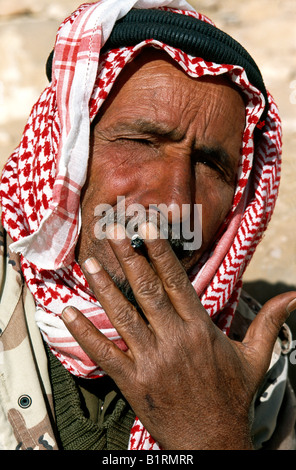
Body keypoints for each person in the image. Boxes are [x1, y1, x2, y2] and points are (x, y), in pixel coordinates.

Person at [0, 0, 295, 451]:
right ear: (65, 149)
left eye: (210, 166)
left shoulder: (254, 366)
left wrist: (215, 433)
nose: (176, 202)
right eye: (141, 141)